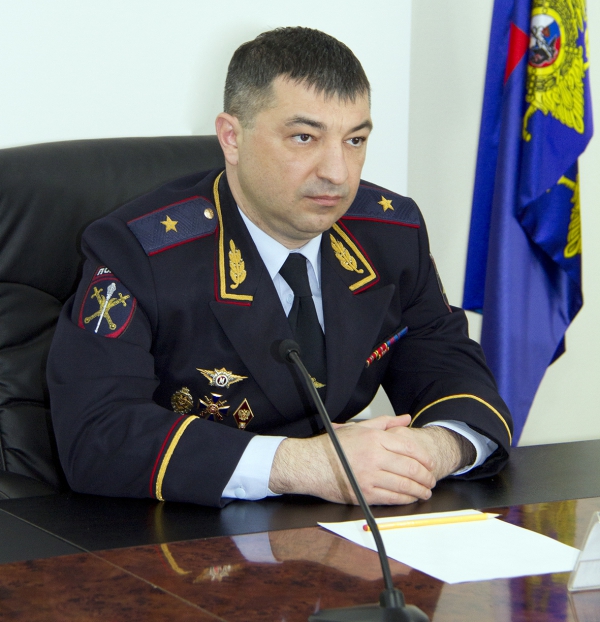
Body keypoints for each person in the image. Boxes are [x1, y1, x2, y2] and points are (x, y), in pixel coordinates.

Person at [47, 27, 512, 508]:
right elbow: (96, 434)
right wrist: (308, 465)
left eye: (355, 140)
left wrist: (429, 451)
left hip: (343, 525)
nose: (337, 172)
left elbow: (456, 375)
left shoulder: (390, 234)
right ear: (232, 138)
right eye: (304, 138)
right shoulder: (139, 252)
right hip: (182, 526)